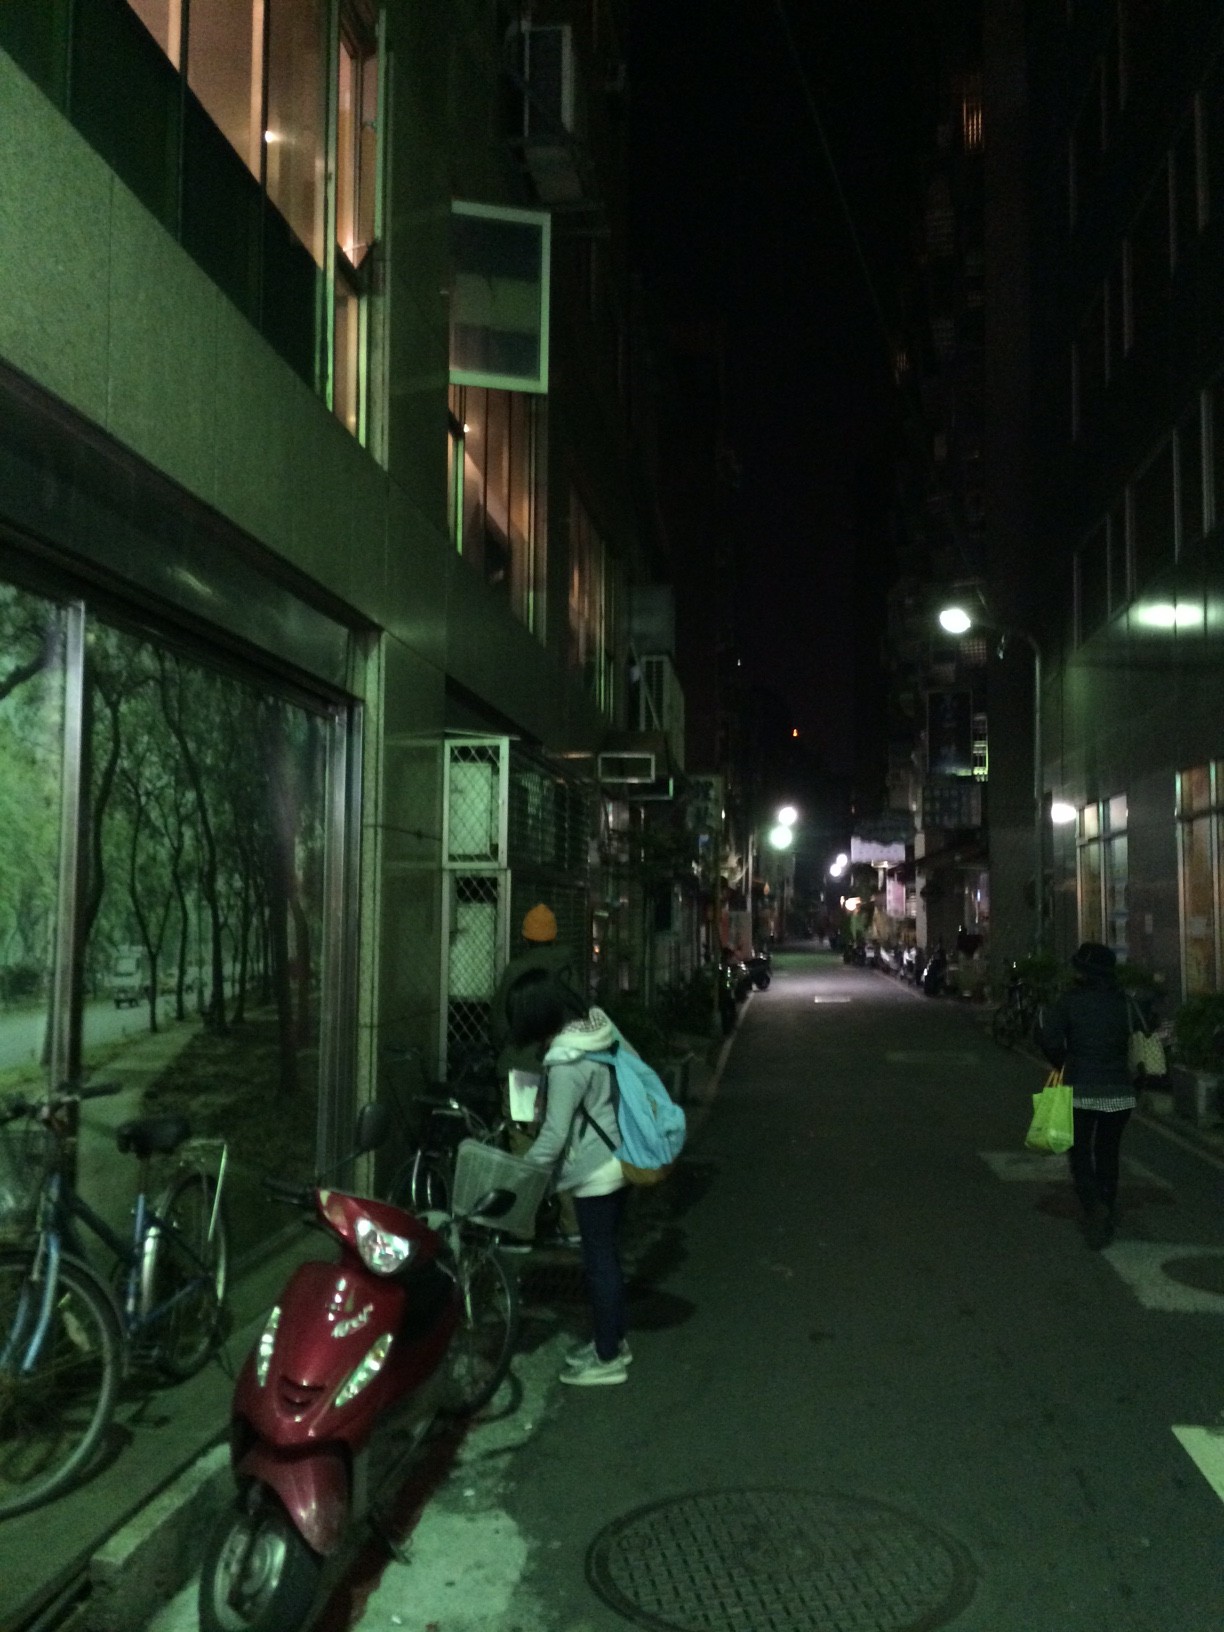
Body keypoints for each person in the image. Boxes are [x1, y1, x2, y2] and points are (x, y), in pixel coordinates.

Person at [509, 974, 631, 1387]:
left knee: (599, 1265)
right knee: (607, 1257)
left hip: (596, 1171)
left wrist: (521, 1176)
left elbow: (554, 1136)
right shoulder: (594, 1034)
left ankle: (608, 1358)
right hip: (616, 1156)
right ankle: (612, 1340)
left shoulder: (566, 1061)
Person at [489, 904, 586, 1244]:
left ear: (525, 937)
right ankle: (573, 1226)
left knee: (524, 1145)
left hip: (523, 1071)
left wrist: (509, 1049)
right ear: (554, 935)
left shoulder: (517, 970)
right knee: (563, 1144)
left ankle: (522, 1229)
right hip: (564, 1071)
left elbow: (499, 1023)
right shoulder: (569, 970)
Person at [1037, 941, 1138, 1249]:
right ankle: (1106, 1203)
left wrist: (1064, 1064)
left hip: (1080, 1087)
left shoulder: (1070, 1001)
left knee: (1080, 1151)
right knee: (1108, 1151)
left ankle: (1093, 1206)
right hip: (1119, 1090)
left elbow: (1049, 1039)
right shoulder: (1124, 1001)